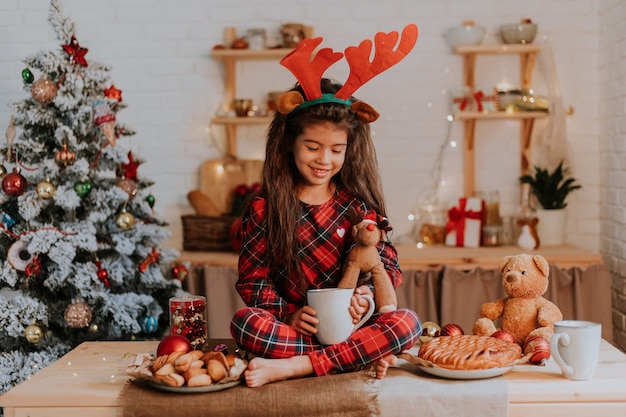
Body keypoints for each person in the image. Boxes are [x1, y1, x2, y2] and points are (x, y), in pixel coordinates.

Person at [230, 25, 421, 387]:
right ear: (289, 143)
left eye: (336, 150)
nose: (324, 160)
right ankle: (353, 359)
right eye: (313, 147)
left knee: (406, 323)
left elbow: (388, 262)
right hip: (299, 330)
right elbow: (253, 279)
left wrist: (366, 296)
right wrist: (288, 314)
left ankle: (299, 366)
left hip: (352, 327)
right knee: (246, 323)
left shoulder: (356, 205)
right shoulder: (264, 209)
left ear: (349, 148)